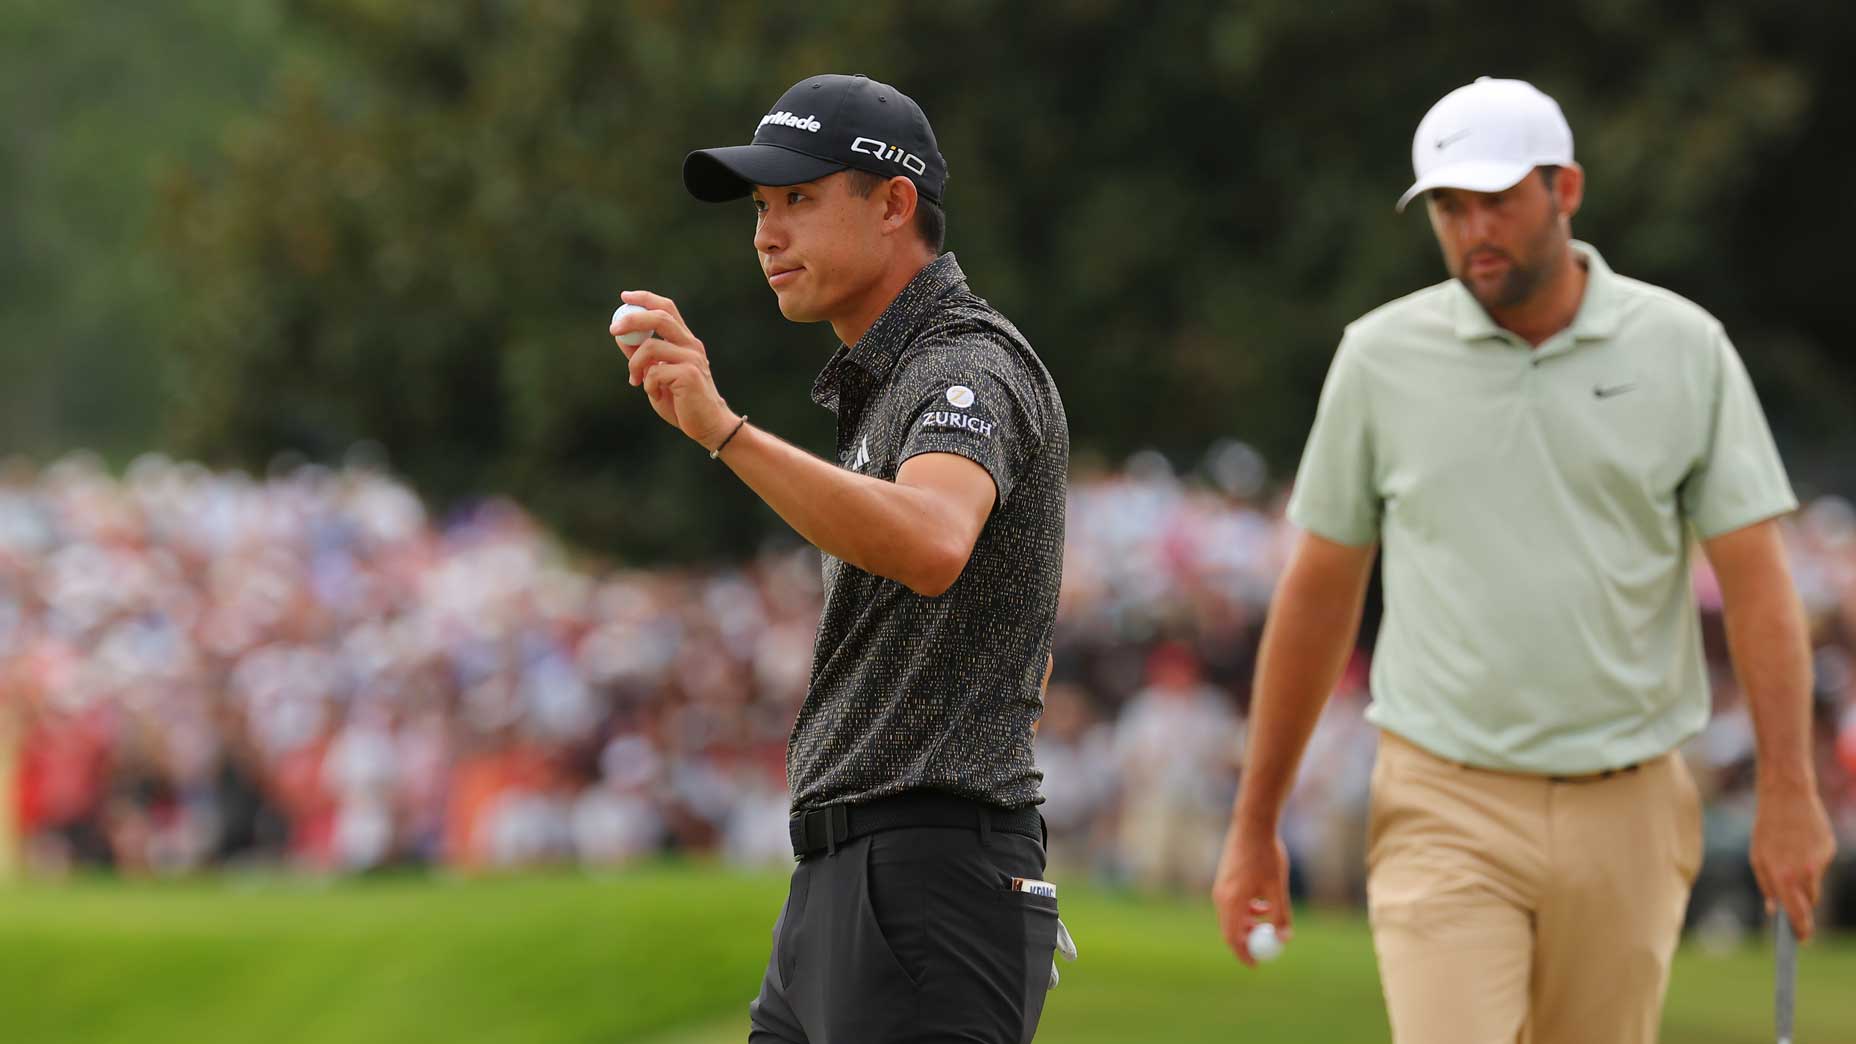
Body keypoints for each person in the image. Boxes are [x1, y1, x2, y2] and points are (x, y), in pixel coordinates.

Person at [1210, 77, 1837, 1044]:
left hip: (1631, 804)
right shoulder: (1379, 359)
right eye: (1450, 209)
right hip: (1442, 795)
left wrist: (1791, 795)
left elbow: (1759, 587)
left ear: (1566, 189)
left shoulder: (1685, 349)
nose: (1473, 230)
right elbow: (1318, 597)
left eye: (1497, 199)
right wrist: (1256, 826)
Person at [614, 73, 1071, 1043]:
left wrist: (723, 430)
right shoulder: (892, 380)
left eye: (798, 200)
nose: (763, 235)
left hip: (926, 881)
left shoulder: (963, 365)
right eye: (759, 208)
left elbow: (933, 541)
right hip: (850, 878)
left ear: (893, 204)